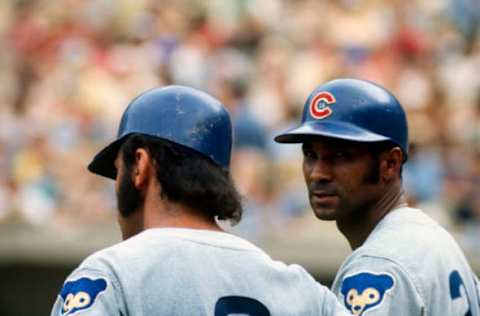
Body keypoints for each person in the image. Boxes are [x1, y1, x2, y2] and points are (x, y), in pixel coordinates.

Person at [50, 85, 350, 316]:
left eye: (118, 171)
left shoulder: (110, 276)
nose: (117, 185)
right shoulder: (305, 291)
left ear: (140, 166)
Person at [274, 78, 480, 315]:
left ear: (390, 164)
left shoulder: (379, 264)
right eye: (310, 154)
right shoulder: (433, 239)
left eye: (340, 155)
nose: (318, 173)